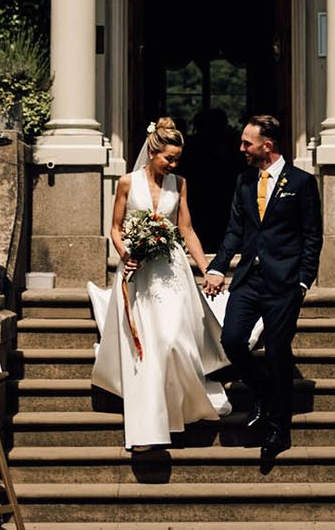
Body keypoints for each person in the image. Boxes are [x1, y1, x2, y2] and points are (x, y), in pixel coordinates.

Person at [88, 117, 230, 451]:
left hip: (171, 270)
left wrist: (207, 268)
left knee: (173, 340)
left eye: (177, 158)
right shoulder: (126, 183)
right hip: (139, 273)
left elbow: (187, 230)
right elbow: (116, 228)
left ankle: (180, 407)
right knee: (147, 347)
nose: (173, 163)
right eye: (169, 158)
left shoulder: (179, 184)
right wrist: (126, 253)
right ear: (152, 153)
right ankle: (150, 427)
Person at [203, 113, 323, 459]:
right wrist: (217, 268)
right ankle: (265, 391)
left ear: (266, 146)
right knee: (233, 339)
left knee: (277, 351)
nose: (241, 148)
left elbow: (312, 235)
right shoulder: (243, 181)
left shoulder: (301, 182)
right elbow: (234, 232)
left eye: (247, 143)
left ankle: (278, 431)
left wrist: (303, 279)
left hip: (284, 282)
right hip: (248, 280)